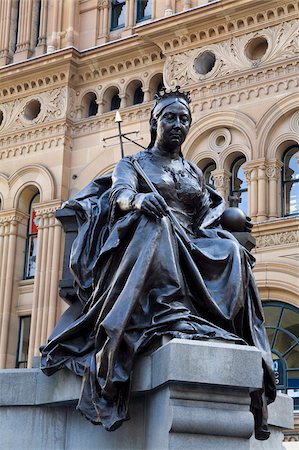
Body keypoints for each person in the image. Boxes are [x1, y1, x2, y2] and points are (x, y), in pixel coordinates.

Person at [40, 88, 276, 438]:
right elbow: (119, 195)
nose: (178, 124)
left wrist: (230, 220)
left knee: (234, 251)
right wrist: (137, 200)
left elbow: (204, 215)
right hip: (150, 232)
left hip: (192, 240)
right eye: (170, 117)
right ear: (155, 122)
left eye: (184, 118)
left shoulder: (193, 171)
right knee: (158, 224)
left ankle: (214, 325)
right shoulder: (134, 164)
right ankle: (169, 313)